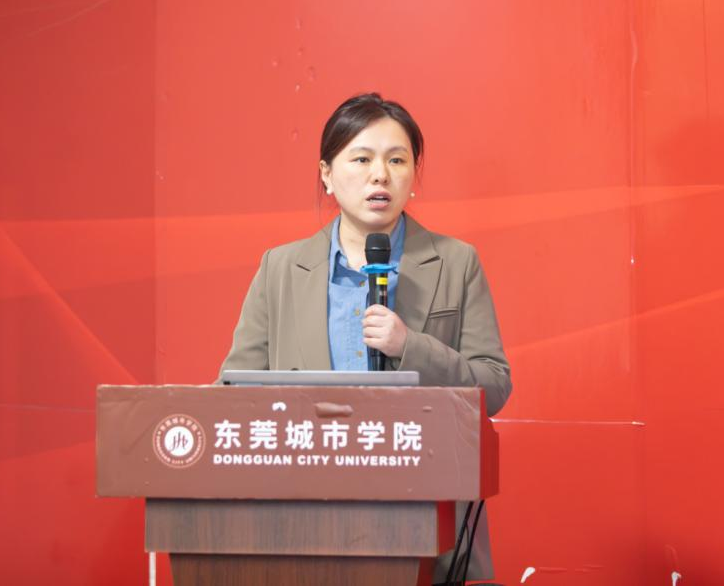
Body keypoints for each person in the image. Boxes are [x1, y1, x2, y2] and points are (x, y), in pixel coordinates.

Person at [219, 92, 511, 583]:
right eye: (361, 159)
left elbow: (494, 385)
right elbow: (233, 393)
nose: (381, 175)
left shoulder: (456, 262)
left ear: (413, 175)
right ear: (327, 174)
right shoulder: (281, 269)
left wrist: (409, 347)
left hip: (426, 524)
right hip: (304, 522)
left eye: (397, 160)